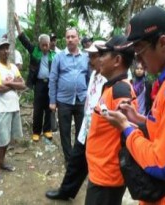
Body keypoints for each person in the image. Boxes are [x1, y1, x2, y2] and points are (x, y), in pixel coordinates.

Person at [105, 6, 165, 205]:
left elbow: (164, 165)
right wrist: (139, 119)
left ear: (163, 43)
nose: (138, 61)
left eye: (139, 52)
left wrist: (126, 128)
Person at [45, 40, 107, 200]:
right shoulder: (94, 74)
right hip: (87, 126)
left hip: (98, 130)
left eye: (93, 56)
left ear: (103, 57)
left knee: (92, 165)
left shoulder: (109, 80)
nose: (90, 60)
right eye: (90, 56)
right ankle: (66, 191)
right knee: (76, 161)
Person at [84, 35, 136, 205]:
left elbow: (130, 127)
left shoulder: (120, 90)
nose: (98, 59)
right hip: (101, 172)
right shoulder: (111, 87)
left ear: (117, 60)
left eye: (103, 55)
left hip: (107, 177)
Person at [49, 27, 90, 165]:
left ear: (78, 38)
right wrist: (52, 101)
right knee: (64, 132)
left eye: (73, 36)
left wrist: (89, 98)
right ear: (65, 39)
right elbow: (53, 79)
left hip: (81, 100)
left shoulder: (86, 57)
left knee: (81, 131)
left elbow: (89, 79)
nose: (70, 39)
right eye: (68, 37)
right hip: (63, 101)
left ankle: (78, 158)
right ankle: (68, 159)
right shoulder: (58, 57)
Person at [0, 37, 26, 185]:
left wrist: (9, 83)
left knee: (8, 139)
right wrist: (14, 84)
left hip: (13, 107)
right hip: (1, 109)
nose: (6, 51)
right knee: (0, 141)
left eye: (7, 48)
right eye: (2, 48)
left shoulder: (13, 67)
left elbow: (22, 85)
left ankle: (2, 162)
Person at [14, 13, 56, 142]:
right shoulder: (34, 50)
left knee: (49, 107)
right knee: (38, 108)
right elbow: (23, 39)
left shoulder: (53, 55)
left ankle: (47, 130)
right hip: (38, 84)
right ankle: (36, 131)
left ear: (49, 44)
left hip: (50, 84)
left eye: (47, 45)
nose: (45, 47)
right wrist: (17, 23)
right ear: (39, 44)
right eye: (43, 45)